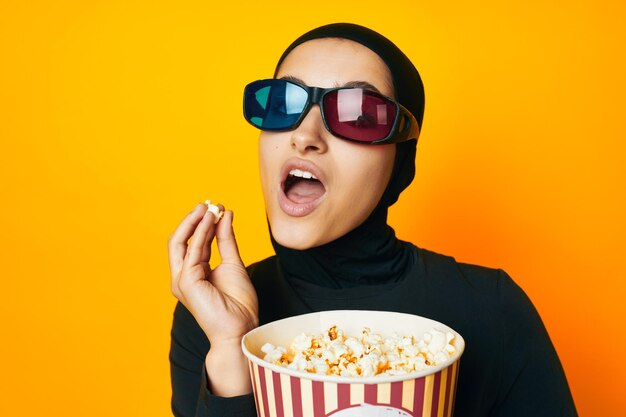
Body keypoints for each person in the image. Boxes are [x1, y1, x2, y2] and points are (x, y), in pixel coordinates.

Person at [168, 23, 577, 417]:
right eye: (283, 103)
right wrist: (230, 345)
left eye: (358, 115)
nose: (305, 134)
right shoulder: (210, 316)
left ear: (401, 163)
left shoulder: (493, 310)